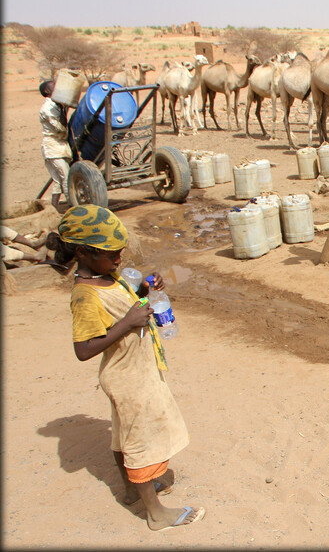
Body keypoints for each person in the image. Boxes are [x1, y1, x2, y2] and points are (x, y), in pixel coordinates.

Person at [45, 205, 205, 532]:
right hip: (128, 377)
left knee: (123, 435)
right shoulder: (85, 296)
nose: (119, 259)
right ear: (83, 253)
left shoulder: (106, 276)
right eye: (112, 254)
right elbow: (84, 349)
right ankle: (156, 513)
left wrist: (146, 290)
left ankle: (133, 490)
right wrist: (128, 323)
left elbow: (130, 300)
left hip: (134, 371)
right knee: (142, 440)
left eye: (120, 253)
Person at [39, 80, 73, 211]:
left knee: (58, 179)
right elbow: (60, 128)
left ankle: (53, 209)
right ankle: (73, 206)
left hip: (59, 145)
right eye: (54, 86)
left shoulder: (55, 105)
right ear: (47, 91)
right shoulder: (47, 109)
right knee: (66, 176)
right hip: (52, 147)